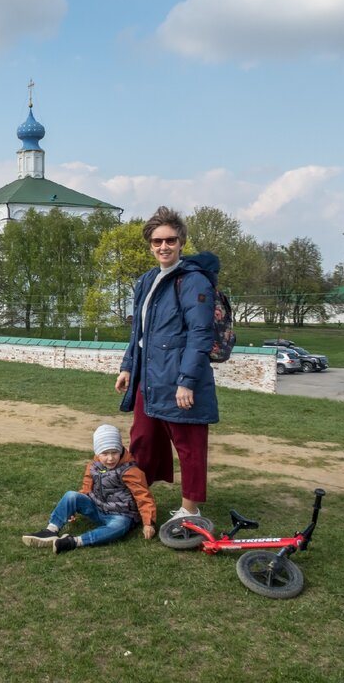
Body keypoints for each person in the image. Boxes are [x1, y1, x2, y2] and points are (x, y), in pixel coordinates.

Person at [115, 206, 220, 525]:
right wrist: (127, 366)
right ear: (150, 244)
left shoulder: (193, 282)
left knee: (188, 445)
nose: (164, 247)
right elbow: (139, 332)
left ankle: (189, 510)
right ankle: (138, 498)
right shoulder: (147, 280)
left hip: (179, 378)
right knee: (143, 440)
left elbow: (200, 333)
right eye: (157, 241)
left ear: (181, 242)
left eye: (170, 240)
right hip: (148, 376)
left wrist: (187, 380)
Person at [21, 424, 157, 554]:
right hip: (97, 509)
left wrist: (148, 523)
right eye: (105, 453)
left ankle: (74, 541)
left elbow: (143, 496)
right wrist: (73, 508)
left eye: (114, 452)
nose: (110, 458)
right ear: (97, 453)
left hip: (120, 515)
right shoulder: (94, 465)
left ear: (120, 449)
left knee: (119, 527)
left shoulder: (130, 470)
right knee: (71, 495)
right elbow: (86, 488)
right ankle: (50, 530)